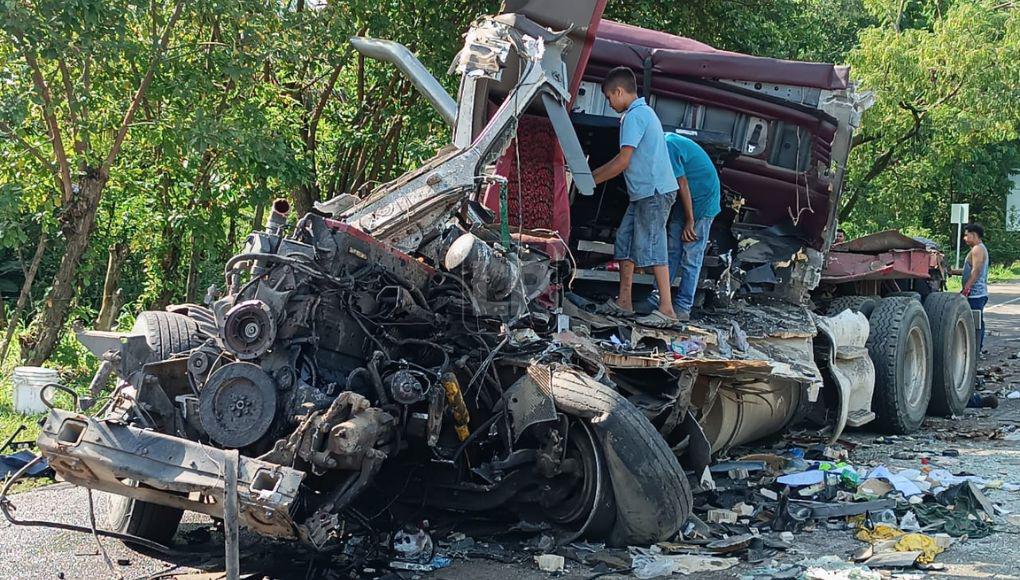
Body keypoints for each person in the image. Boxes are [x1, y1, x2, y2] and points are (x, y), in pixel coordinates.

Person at [591, 67, 679, 328]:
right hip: (643, 193)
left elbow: (623, 161)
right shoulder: (643, 113)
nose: (609, 103)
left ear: (619, 91)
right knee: (625, 241)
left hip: (653, 192)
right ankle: (624, 301)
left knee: (653, 247)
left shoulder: (634, 116)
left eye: (609, 97)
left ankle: (666, 309)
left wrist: (591, 178)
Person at [649, 132, 720, 321]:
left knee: (691, 257)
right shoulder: (663, 141)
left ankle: (683, 306)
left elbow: (683, 183)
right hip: (686, 200)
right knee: (671, 251)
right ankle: (659, 298)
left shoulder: (668, 146)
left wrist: (690, 221)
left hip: (702, 200)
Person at [961, 223, 989, 351]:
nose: (964, 238)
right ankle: (977, 348)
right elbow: (970, 269)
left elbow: (976, 271)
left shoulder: (977, 249)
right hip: (977, 293)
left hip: (976, 294)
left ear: (974, 235)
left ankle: (976, 349)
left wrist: (967, 288)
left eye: (967, 235)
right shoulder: (978, 249)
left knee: (974, 323)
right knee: (976, 321)